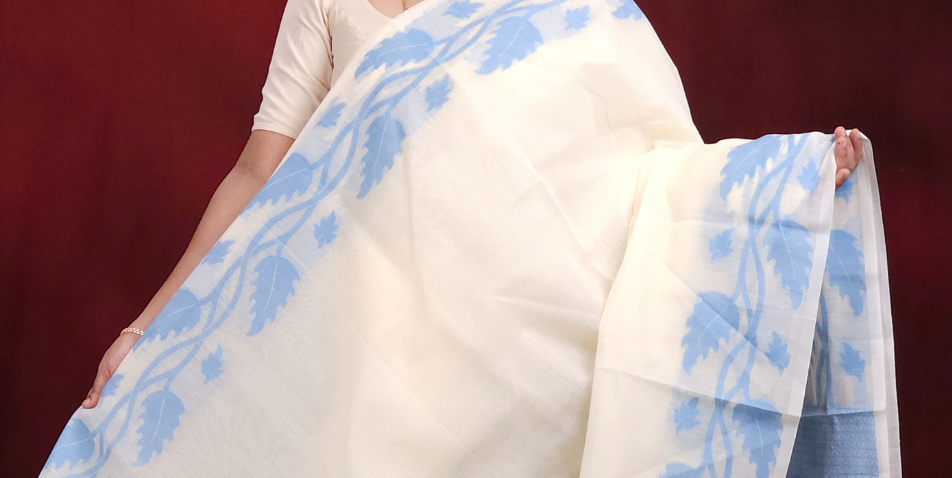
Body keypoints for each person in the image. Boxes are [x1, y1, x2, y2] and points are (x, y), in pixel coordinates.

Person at [79, 0, 863, 410]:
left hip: (498, 340)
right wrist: (146, 328)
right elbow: (258, 172)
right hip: (355, 339)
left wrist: (778, 181)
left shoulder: (537, 6)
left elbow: (634, 164)